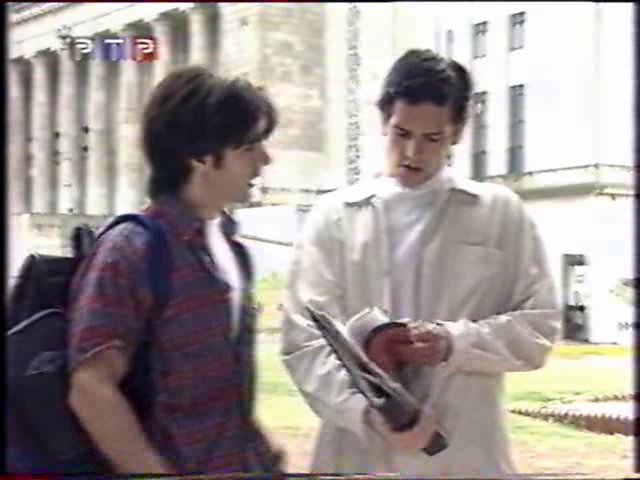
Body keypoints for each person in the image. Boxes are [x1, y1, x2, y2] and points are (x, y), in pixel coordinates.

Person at [281, 49, 560, 478]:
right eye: (401, 133)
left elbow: (539, 327)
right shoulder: (333, 217)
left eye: (432, 138)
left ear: (458, 132)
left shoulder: (500, 214)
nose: (413, 152)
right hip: (357, 449)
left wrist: (454, 343)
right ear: (383, 120)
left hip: (465, 448)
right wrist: (370, 413)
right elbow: (304, 338)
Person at [67, 66, 283, 474]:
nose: (264, 160)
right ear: (200, 156)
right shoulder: (131, 250)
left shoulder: (233, 251)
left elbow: (223, 391)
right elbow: (90, 388)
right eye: (249, 147)